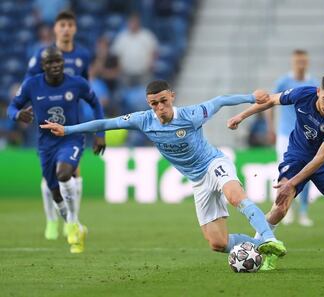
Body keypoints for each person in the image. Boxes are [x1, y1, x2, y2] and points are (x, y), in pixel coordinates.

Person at [40, 80, 286, 270]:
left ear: (172, 97)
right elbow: (105, 124)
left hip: (214, 164)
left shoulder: (191, 114)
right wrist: (68, 129)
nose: (159, 107)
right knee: (218, 243)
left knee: (234, 196)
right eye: (154, 103)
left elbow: (220, 100)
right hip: (198, 181)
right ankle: (261, 247)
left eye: (163, 101)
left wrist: (250, 97)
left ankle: (267, 236)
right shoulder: (144, 120)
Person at [228, 73, 324, 269]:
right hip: (297, 155)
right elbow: (270, 100)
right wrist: (241, 115)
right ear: (318, 91)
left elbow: (320, 158)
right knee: (280, 207)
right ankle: (256, 248)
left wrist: (291, 183)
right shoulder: (303, 94)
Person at [8, 47, 106, 253]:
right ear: (43, 66)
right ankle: (77, 227)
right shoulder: (32, 85)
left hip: (71, 138)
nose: (55, 65)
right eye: (50, 63)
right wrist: (18, 115)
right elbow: (12, 107)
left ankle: (71, 222)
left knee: (64, 174)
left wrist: (100, 134)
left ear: (63, 63)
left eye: (58, 61)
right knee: (55, 193)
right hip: (45, 145)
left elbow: (96, 104)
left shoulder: (77, 83)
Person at [25, 11, 94, 240]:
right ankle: (52, 221)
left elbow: (86, 84)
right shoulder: (42, 54)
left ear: (75, 28)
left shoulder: (82, 54)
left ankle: (71, 221)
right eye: (62, 25)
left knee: (73, 169)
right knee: (50, 176)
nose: (66, 29)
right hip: (48, 117)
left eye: (70, 25)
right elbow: (30, 82)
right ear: (55, 28)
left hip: (74, 117)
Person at [266, 49, 318, 227]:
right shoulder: (284, 81)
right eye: (298, 61)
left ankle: (303, 211)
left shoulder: (313, 83)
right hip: (284, 134)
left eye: (304, 61)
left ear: (307, 62)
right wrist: (270, 128)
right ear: (293, 63)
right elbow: (270, 103)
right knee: (284, 173)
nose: (301, 64)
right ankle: (284, 210)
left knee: (307, 173)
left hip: (306, 137)